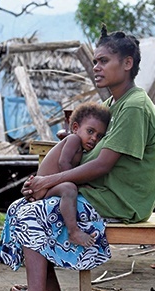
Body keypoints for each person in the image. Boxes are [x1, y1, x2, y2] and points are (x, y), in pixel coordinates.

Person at [0, 24, 155, 291]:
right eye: (95, 61)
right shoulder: (110, 105)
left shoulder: (135, 107)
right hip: (103, 192)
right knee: (22, 206)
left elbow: (102, 164)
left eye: (103, 61)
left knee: (32, 214)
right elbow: (84, 151)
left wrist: (49, 180)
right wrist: (47, 181)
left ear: (127, 64)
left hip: (122, 200)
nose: (96, 66)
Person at [36, 101, 111, 247]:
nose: (94, 138)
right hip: (44, 188)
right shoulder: (73, 139)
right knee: (69, 189)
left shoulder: (81, 147)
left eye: (99, 136)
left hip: (50, 187)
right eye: (90, 131)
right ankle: (73, 231)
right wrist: (78, 184)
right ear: (75, 128)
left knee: (70, 188)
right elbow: (63, 163)